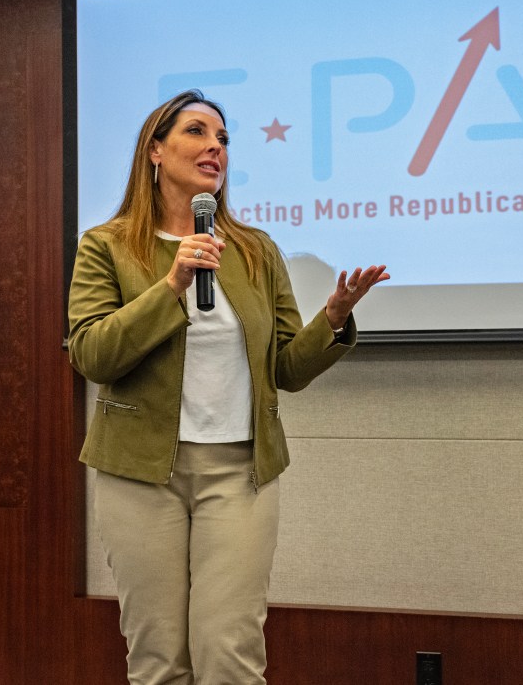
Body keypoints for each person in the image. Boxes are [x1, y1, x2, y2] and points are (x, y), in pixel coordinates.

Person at [67, 90, 389, 684]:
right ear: (155, 150)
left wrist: (334, 320)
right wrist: (171, 285)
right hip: (139, 474)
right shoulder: (106, 246)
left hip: (239, 472)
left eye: (223, 139)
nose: (215, 146)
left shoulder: (254, 251)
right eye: (197, 132)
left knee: (229, 654)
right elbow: (92, 354)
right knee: (158, 659)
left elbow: (287, 371)